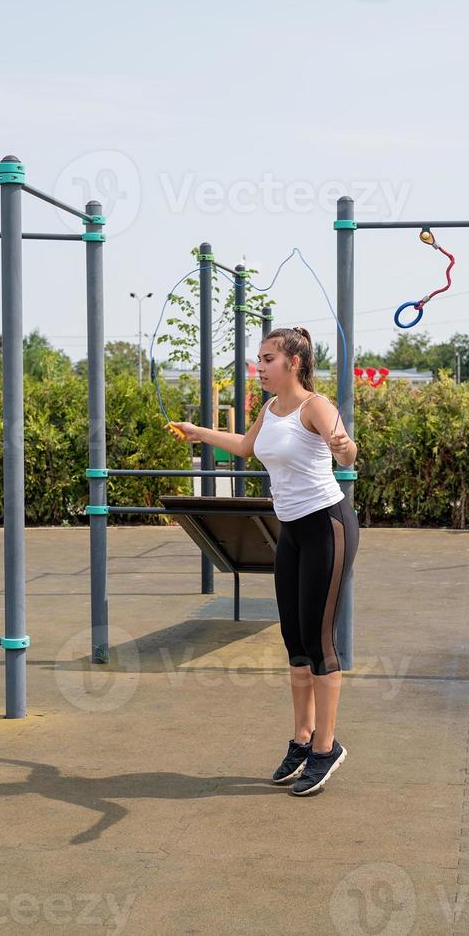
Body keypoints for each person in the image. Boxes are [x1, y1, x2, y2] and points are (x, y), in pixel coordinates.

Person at [166, 326, 359, 796]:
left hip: (327, 527)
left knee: (320, 643)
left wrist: (342, 447)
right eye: (259, 358)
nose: (260, 367)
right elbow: (247, 447)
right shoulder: (271, 409)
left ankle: (326, 749)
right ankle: (302, 739)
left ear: (293, 362)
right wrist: (198, 433)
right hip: (291, 532)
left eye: (268, 359)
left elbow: (349, 450)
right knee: (293, 641)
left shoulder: (316, 406)